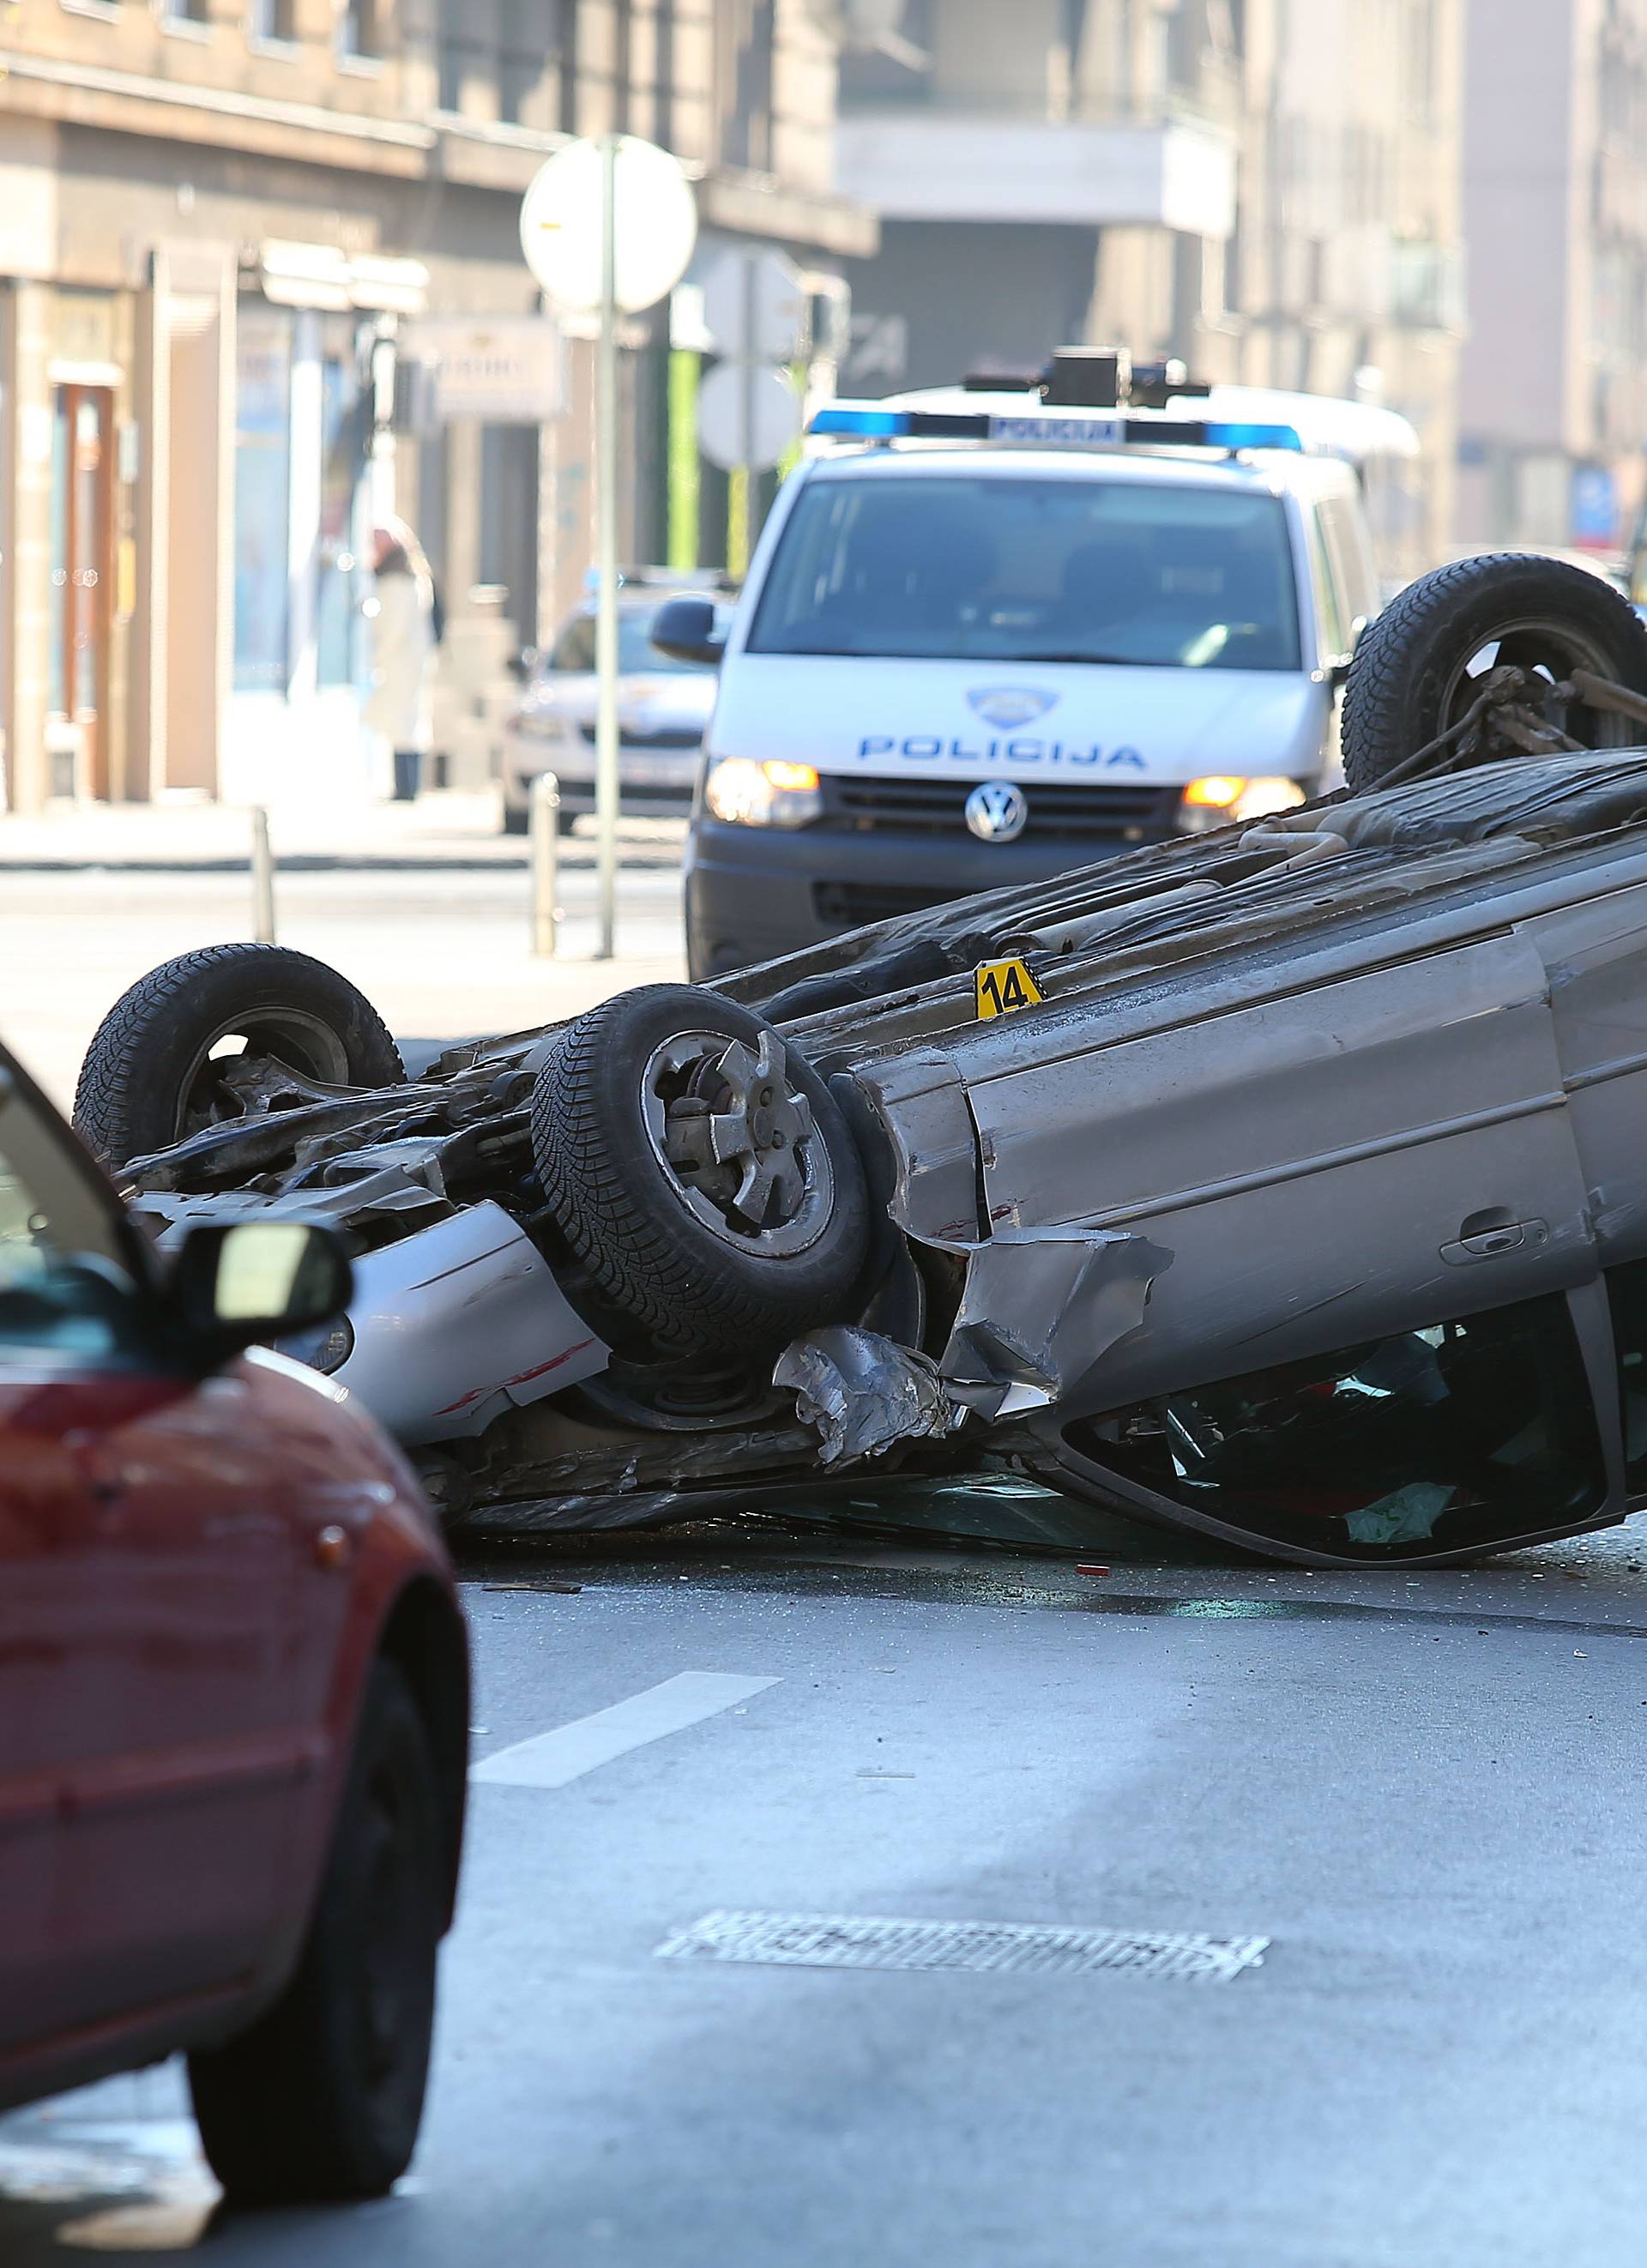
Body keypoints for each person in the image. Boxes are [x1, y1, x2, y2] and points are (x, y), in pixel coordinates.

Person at [365, 520, 437, 802]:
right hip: (412, 660)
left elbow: (394, 627)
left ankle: (406, 786)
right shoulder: (414, 578)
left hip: (402, 661)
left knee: (404, 723)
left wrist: (379, 658)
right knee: (408, 722)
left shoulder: (399, 582)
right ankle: (408, 785)